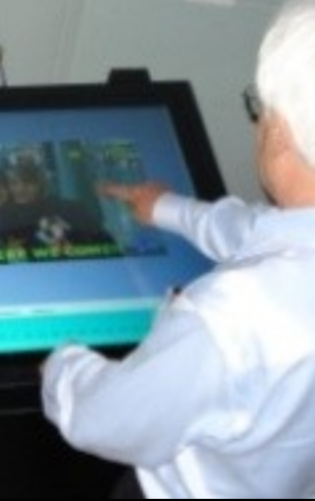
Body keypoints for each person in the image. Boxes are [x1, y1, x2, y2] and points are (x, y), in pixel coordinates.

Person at [41, 0, 315, 498]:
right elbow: (261, 231)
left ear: (278, 134)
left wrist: (60, 363)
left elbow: (111, 418)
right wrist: (169, 208)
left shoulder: (233, 319)